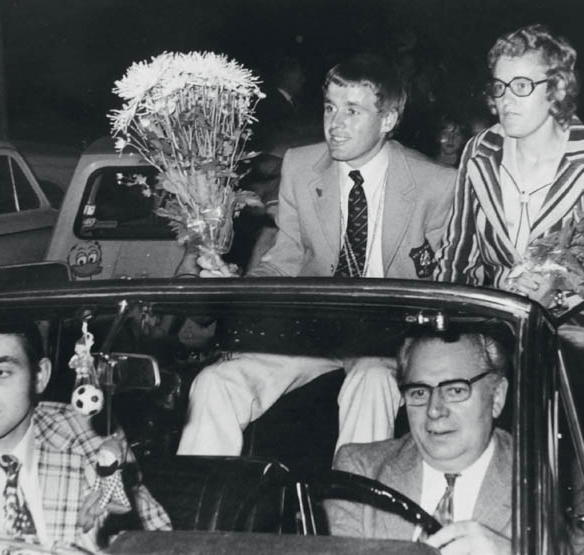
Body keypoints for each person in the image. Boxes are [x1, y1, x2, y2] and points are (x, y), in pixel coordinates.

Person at [177, 53, 456, 457]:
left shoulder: (437, 185)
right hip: (311, 335)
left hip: (388, 343)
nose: (335, 124)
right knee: (214, 384)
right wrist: (235, 287)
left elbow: (446, 288)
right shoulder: (301, 166)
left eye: (352, 111)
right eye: (329, 107)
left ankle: (354, 515)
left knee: (372, 382)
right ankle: (203, 511)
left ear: (389, 120)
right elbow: (283, 262)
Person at [0, 321, 171, 554]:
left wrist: (121, 530)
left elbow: (163, 544)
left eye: (1, 372)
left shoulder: (89, 433)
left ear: (40, 376)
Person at [434, 24, 584, 307]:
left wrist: (560, 293)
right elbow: (458, 251)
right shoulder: (480, 150)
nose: (506, 100)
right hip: (499, 326)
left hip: (577, 334)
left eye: (522, 86)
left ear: (559, 88)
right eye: (499, 87)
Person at [326, 329, 512, 555]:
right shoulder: (361, 469)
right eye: (419, 392)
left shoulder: (545, 480)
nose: (434, 410)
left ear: (497, 397)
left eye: (455, 390)